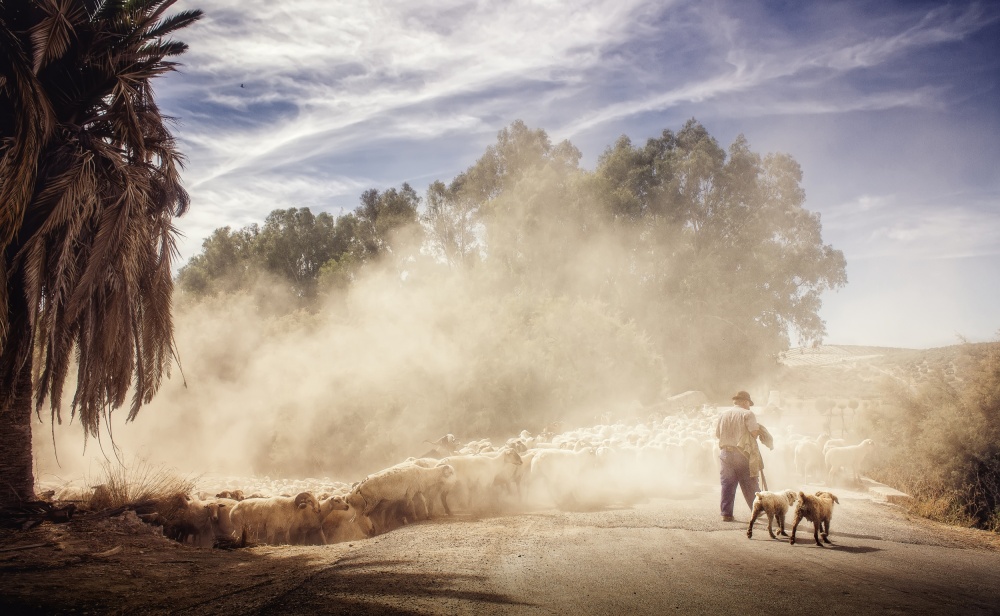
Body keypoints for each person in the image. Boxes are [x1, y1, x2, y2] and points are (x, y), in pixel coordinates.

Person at [715, 390, 761, 521]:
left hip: (725, 453)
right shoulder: (748, 414)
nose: (749, 406)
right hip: (741, 453)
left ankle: (726, 514)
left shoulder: (723, 414)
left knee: (727, 483)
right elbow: (753, 433)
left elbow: (718, 434)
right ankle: (757, 510)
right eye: (749, 403)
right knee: (749, 482)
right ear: (745, 402)